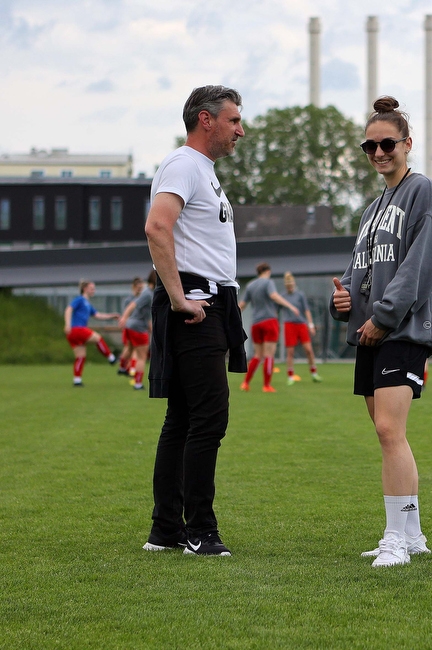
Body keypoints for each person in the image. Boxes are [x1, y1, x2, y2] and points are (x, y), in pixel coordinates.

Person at [330, 96, 432, 567]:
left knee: (388, 430)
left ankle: (395, 540)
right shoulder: (371, 209)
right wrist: (344, 302)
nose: (379, 152)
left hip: (400, 331)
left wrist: (383, 317)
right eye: (370, 145)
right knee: (386, 434)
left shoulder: (423, 192)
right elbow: (357, 273)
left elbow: (423, 264)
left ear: (407, 144)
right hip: (371, 333)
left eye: (387, 144)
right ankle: (413, 534)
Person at [143, 84, 248, 557]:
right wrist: (179, 298)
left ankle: (165, 530)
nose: (240, 131)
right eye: (234, 121)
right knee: (209, 417)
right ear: (206, 120)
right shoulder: (185, 163)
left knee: (183, 418)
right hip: (196, 304)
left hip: (210, 302)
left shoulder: (200, 170)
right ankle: (199, 530)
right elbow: (157, 225)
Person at [238, 262, 301, 393]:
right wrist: (290, 306)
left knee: (257, 355)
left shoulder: (250, 285)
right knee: (269, 355)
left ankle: (245, 383)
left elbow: (242, 305)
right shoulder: (268, 282)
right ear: (268, 271)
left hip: (256, 323)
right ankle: (266, 385)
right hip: (269, 321)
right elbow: (273, 295)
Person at [63, 279, 119, 386]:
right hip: (77, 329)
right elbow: (68, 309)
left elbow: (97, 315)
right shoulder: (80, 300)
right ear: (85, 289)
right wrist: (67, 324)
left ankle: (77, 380)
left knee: (80, 356)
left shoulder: (87, 304)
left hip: (74, 333)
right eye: (92, 288)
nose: (94, 290)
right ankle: (111, 358)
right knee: (98, 338)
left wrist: (111, 316)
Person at [279, 271, 321, 385]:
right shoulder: (282, 297)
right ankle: (290, 376)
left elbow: (306, 310)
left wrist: (310, 324)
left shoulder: (300, 295)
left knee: (308, 350)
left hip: (301, 324)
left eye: (291, 284)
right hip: (289, 325)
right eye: (288, 285)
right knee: (290, 352)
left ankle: (314, 373)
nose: (290, 287)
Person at [118, 271, 156, 390]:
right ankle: (138, 383)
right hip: (137, 327)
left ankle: (123, 367)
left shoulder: (148, 292)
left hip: (132, 326)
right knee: (142, 357)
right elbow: (132, 305)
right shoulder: (148, 294)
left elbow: (147, 315)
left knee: (129, 348)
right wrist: (124, 317)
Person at [118, 277, 144, 376]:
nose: (140, 289)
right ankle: (128, 368)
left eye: (141, 287)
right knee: (132, 349)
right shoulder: (129, 300)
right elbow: (125, 312)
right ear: (133, 287)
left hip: (136, 326)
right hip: (131, 327)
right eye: (138, 287)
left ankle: (126, 368)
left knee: (133, 349)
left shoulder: (143, 297)